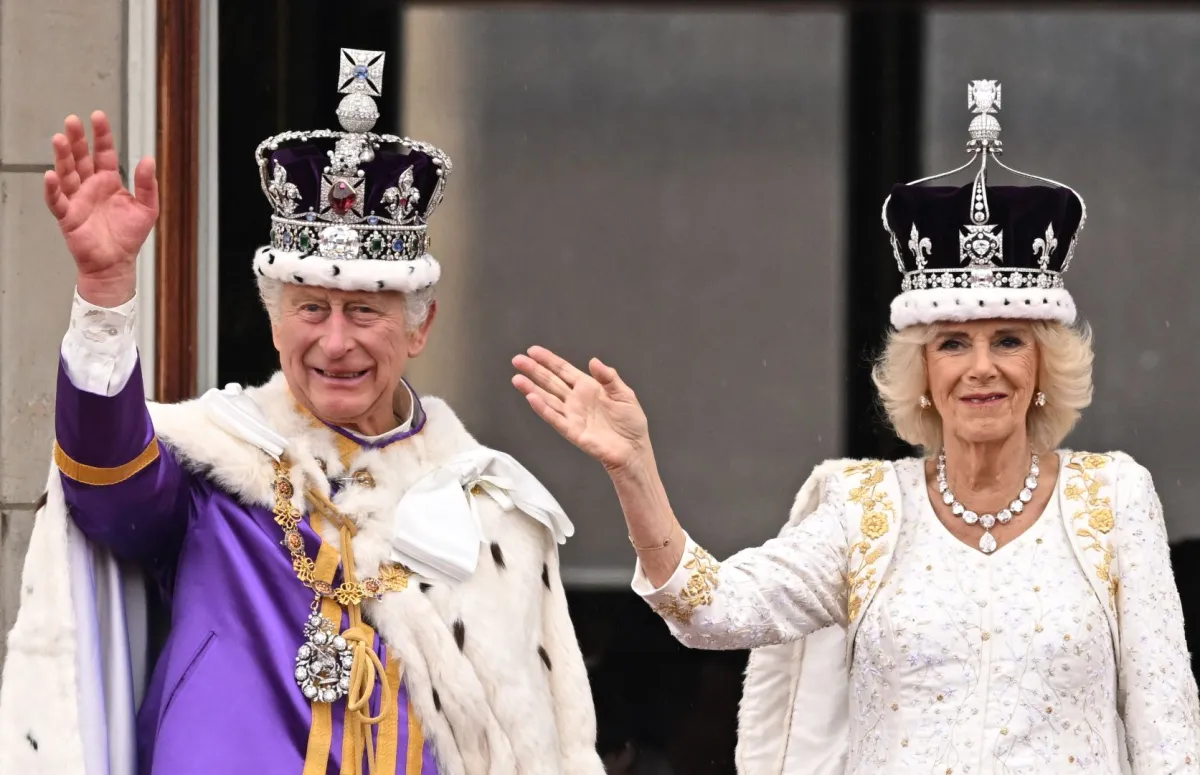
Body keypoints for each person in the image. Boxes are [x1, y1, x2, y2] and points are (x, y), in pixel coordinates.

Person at [512, 80, 1200, 774]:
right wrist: (634, 466)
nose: (982, 368)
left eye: (1010, 340)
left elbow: (1167, 731)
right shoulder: (864, 510)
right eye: (954, 343)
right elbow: (710, 609)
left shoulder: (1114, 500)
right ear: (922, 372)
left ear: (1045, 363)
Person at [0, 47, 605, 775]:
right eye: (312, 308)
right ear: (276, 319)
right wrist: (105, 291)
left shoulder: (491, 513)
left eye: (364, 311)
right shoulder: (216, 471)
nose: (336, 341)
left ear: (420, 325)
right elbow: (107, 489)